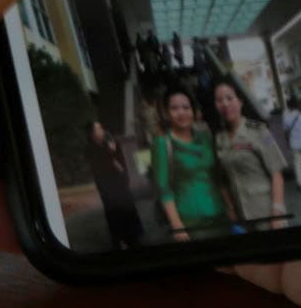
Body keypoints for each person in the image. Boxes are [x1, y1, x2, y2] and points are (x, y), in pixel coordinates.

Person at [147, 88, 227, 243]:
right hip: (191, 222)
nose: (181, 113)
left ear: (193, 110)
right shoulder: (162, 143)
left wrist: (229, 207)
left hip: (220, 214)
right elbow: (164, 189)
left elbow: (217, 176)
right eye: (174, 108)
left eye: (186, 107)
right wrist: (177, 224)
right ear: (166, 113)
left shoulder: (205, 137)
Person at [213, 80, 290, 230]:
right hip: (242, 219)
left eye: (230, 98)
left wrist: (277, 211)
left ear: (240, 101)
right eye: (219, 100)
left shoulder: (260, 131)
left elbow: (276, 173)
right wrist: (230, 208)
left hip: (267, 215)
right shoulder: (219, 138)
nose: (225, 104)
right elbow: (223, 179)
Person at [85, 122, 145, 249]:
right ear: (91, 134)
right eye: (98, 129)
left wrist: (124, 176)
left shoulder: (111, 143)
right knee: (114, 213)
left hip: (120, 184)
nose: (101, 130)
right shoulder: (91, 149)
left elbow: (121, 164)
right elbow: (100, 168)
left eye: (101, 127)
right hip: (107, 187)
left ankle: (134, 236)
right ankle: (119, 239)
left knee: (128, 209)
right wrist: (110, 154)